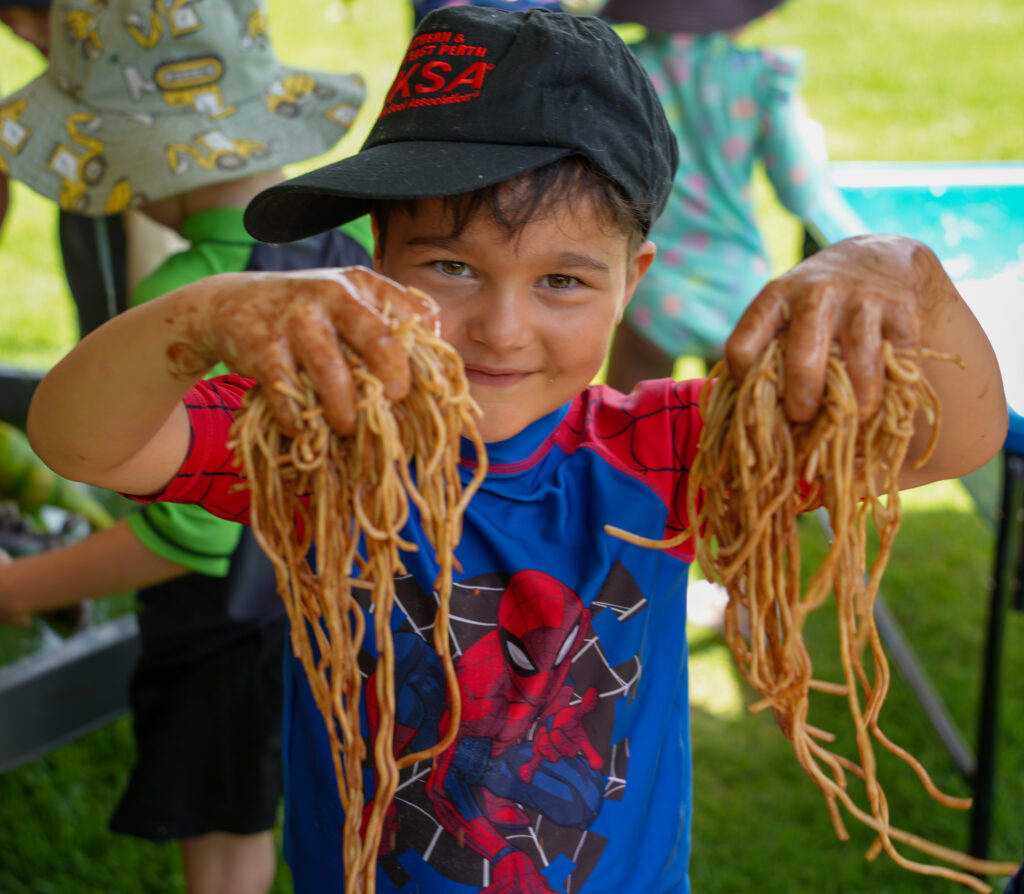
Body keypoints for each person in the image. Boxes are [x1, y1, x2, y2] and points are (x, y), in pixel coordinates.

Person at [23, 6, 1009, 893]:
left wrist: (908, 274)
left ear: (634, 283)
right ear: (376, 263)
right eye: (450, 267)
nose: (500, 329)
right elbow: (83, 444)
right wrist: (195, 322)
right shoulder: (320, 443)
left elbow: (953, 440)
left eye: (562, 283)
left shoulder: (667, 453)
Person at [0, 1, 369, 891]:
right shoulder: (350, 255)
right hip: (332, 607)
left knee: (222, 842)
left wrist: (18, 587)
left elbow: (187, 540)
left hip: (224, 637)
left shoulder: (180, 307)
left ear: (130, 160)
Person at [602, 0, 832, 391]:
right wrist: (812, 140)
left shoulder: (622, 71)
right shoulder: (758, 77)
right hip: (735, 288)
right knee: (741, 437)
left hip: (646, 282)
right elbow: (799, 193)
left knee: (624, 435)